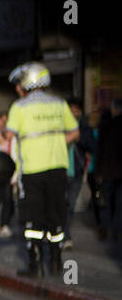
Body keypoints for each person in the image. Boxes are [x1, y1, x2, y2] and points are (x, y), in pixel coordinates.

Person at [5, 62, 79, 278]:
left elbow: (9, 136)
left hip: (32, 170)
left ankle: (35, 265)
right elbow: (74, 134)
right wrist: (53, 142)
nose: (18, 87)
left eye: (20, 82)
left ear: (28, 82)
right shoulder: (59, 103)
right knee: (56, 216)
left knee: (32, 219)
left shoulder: (19, 107)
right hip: (58, 168)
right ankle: (56, 262)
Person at [64, 98, 94, 248]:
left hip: (76, 171)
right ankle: (62, 235)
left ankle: (65, 235)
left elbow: (91, 146)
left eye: (76, 109)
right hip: (60, 171)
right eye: (71, 109)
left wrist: (77, 136)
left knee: (69, 205)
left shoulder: (85, 128)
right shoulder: (60, 127)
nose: (74, 112)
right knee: (61, 204)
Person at [96, 99, 122, 242]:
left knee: (107, 202)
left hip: (108, 171)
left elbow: (100, 151)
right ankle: (116, 231)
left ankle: (106, 229)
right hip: (116, 171)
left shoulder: (106, 126)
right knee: (119, 204)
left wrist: (99, 172)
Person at [0, 112, 16, 239]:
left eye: (6, 120)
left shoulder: (12, 141)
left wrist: (15, 177)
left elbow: (16, 158)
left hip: (7, 175)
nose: (4, 123)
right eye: (1, 120)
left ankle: (4, 225)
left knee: (7, 200)